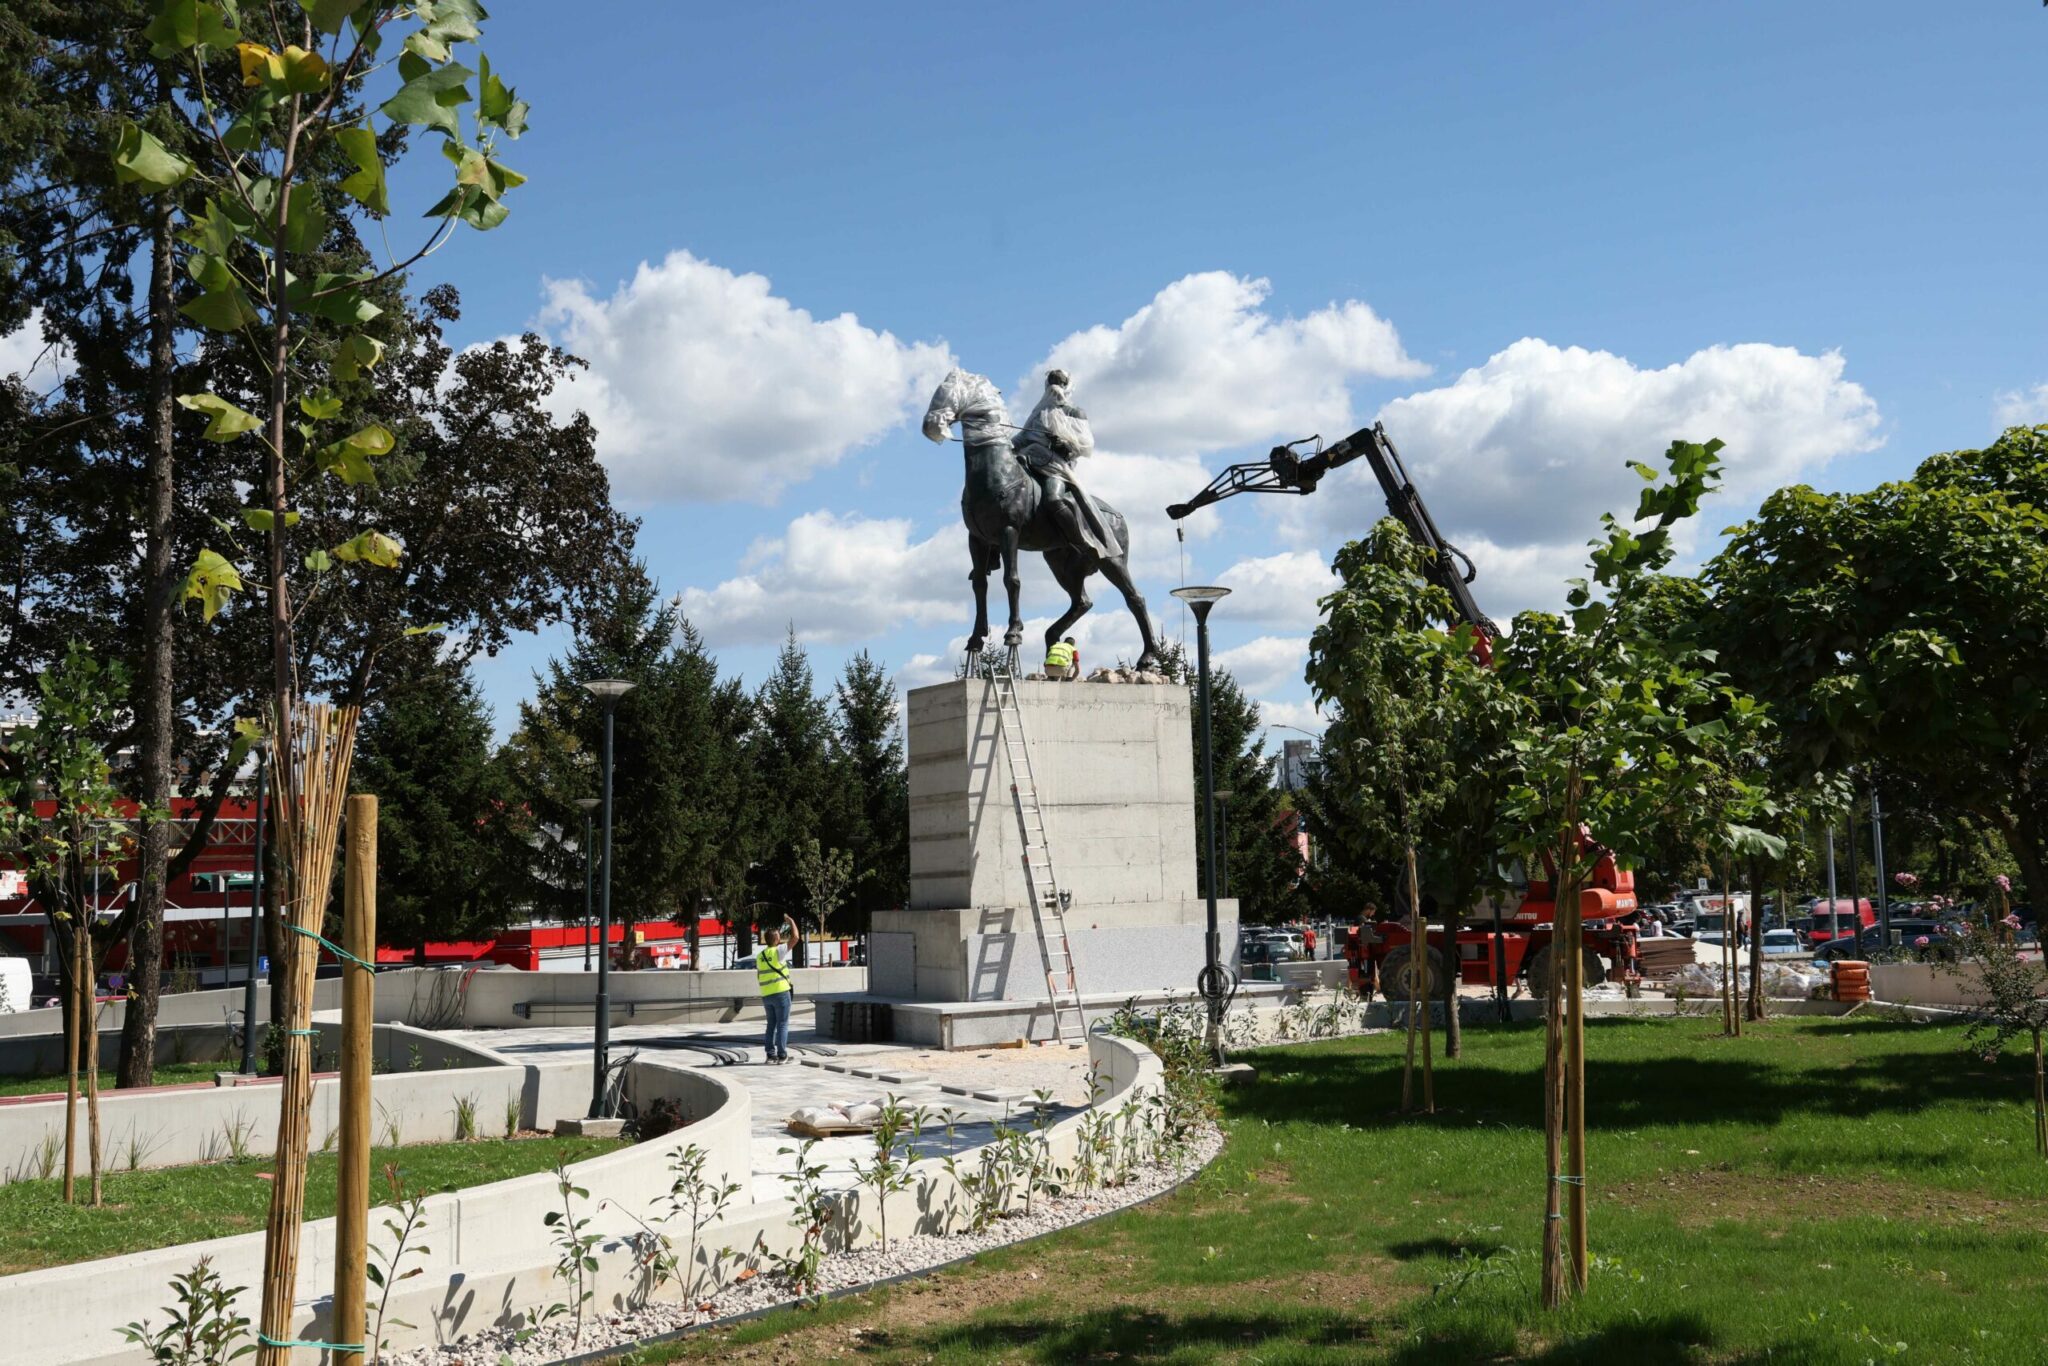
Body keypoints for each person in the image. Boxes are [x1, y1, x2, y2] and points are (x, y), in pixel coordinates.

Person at [1015, 370, 1119, 562]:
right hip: (1028, 461)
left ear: (1066, 386)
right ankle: (992, 554)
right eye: (1051, 381)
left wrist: (1063, 443)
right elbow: (1022, 438)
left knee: (1053, 499)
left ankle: (1079, 541)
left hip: (1056, 467)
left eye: (1059, 381)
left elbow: (1085, 444)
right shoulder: (1039, 412)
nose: (1055, 385)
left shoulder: (1075, 413)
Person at [755, 914, 800, 1064]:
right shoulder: (778, 951)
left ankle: (770, 1055)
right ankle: (782, 1055)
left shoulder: (760, 956)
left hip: (766, 995)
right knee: (782, 1024)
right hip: (781, 992)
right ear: (776, 939)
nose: (781, 939)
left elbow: (759, 976)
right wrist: (791, 921)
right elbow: (796, 938)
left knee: (771, 1025)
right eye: (779, 937)